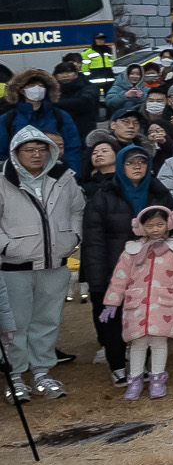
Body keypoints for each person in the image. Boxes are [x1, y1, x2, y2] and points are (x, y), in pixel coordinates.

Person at [0, 129, 84, 399]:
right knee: (15, 325)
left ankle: (41, 372)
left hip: (55, 265)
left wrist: (74, 236)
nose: (36, 155)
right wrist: (7, 247)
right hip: (14, 267)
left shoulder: (63, 177)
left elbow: (77, 209)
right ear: (15, 153)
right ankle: (14, 376)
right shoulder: (2, 179)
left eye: (41, 149)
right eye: (29, 150)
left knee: (47, 320)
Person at [98, 203, 173, 400]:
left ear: (169, 224)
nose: (155, 229)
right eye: (150, 226)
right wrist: (112, 302)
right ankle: (135, 380)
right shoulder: (132, 250)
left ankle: (157, 379)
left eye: (159, 224)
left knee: (159, 341)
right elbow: (120, 277)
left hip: (164, 303)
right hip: (137, 304)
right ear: (140, 227)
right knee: (137, 343)